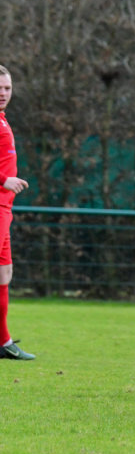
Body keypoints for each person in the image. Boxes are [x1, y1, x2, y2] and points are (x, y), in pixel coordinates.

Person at [0, 65, 35, 361]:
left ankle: (3, 341)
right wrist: (3, 180)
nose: (2, 93)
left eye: (7, 88)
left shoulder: (2, 119)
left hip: (5, 208)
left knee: (4, 274)